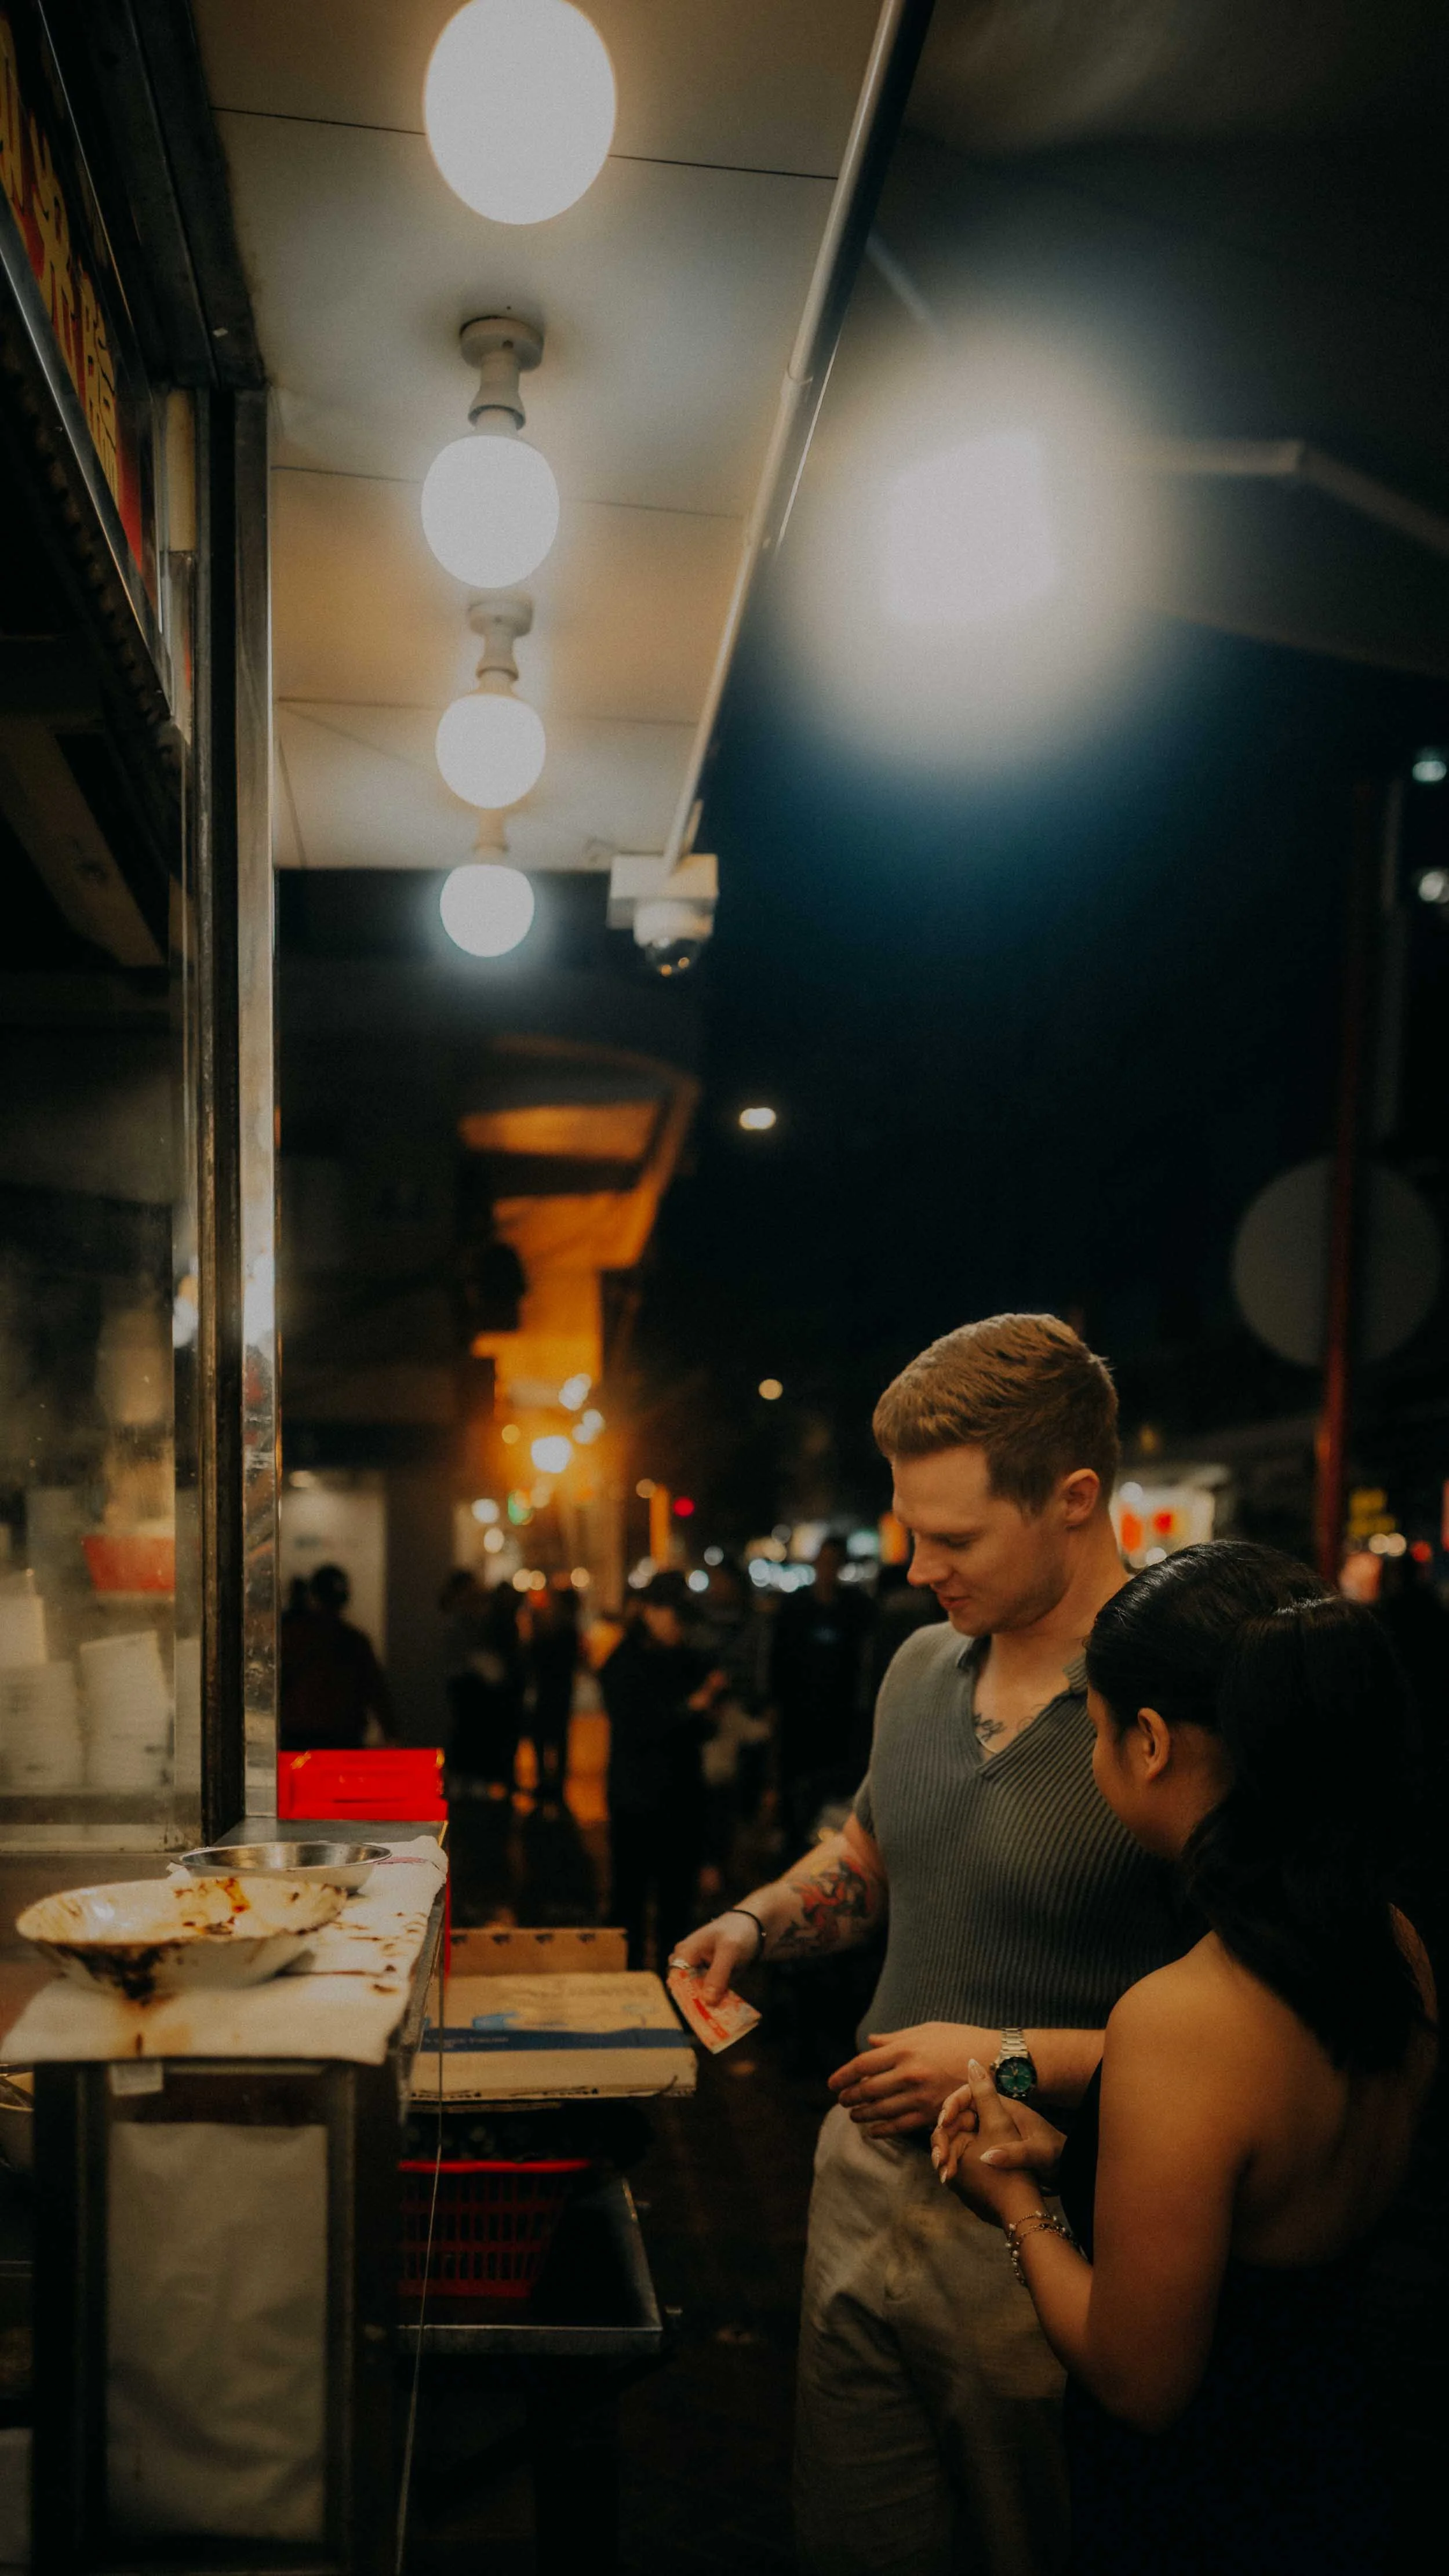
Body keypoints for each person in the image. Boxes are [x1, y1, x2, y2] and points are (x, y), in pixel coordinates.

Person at [675, 1314, 1189, 2576]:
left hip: (1051, 2215)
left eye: (952, 1536)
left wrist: (1004, 2057)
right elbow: (868, 1855)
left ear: (1072, 1498)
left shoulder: (1176, 1702)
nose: (917, 1565)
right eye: (910, 1527)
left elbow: (1259, 2032)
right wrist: (757, 1917)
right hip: (861, 2182)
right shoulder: (918, 1664)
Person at [935, 1542, 1437, 2575]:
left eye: (1099, 1726)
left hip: (1211, 2502)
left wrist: (1019, 2199)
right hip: (1352, 2454)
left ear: (1150, 1740)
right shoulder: (1397, 1942)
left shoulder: (1184, 2014)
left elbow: (1139, 2376)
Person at [600, 1569, 726, 1967]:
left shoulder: (687, 1659)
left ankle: (676, 1992)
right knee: (629, 1905)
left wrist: (707, 1709)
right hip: (635, 1801)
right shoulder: (623, 1663)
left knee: (677, 1907)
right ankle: (630, 1988)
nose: (681, 1626)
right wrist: (694, 1706)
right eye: (676, 1615)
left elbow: (702, 1731)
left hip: (681, 1799)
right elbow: (640, 1726)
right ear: (651, 1612)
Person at [769, 1534, 874, 1842]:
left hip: (837, 1715)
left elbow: (863, 1664)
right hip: (797, 1712)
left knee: (831, 1785)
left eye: (834, 1563)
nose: (828, 1569)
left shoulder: (855, 1609)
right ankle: (791, 1839)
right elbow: (778, 1658)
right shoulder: (795, 1608)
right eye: (824, 1562)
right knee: (794, 1780)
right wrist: (774, 1703)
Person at [279, 1563, 395, 1749]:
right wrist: (390, 1732)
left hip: (299, 1734)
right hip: (344, 1735)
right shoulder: (353, 1641)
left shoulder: (291, 1637)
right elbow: (376, 1689)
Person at [441, 1572, 526, 1798]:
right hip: (466, 1688)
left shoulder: (465, 1621)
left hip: (467, 1689)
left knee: (467, 1733)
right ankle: (468, 1779)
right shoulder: (462, 1623)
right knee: (466, 1733)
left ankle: (468, 1779)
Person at [527, 1577, 581, 1795]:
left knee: (546, 1735)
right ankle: (555, 1782)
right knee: (557, 1736)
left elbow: (536, 1656)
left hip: (550, 1688)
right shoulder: (567, 1629)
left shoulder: (555, 1629)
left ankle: (548, 1781)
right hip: (558, 1688)